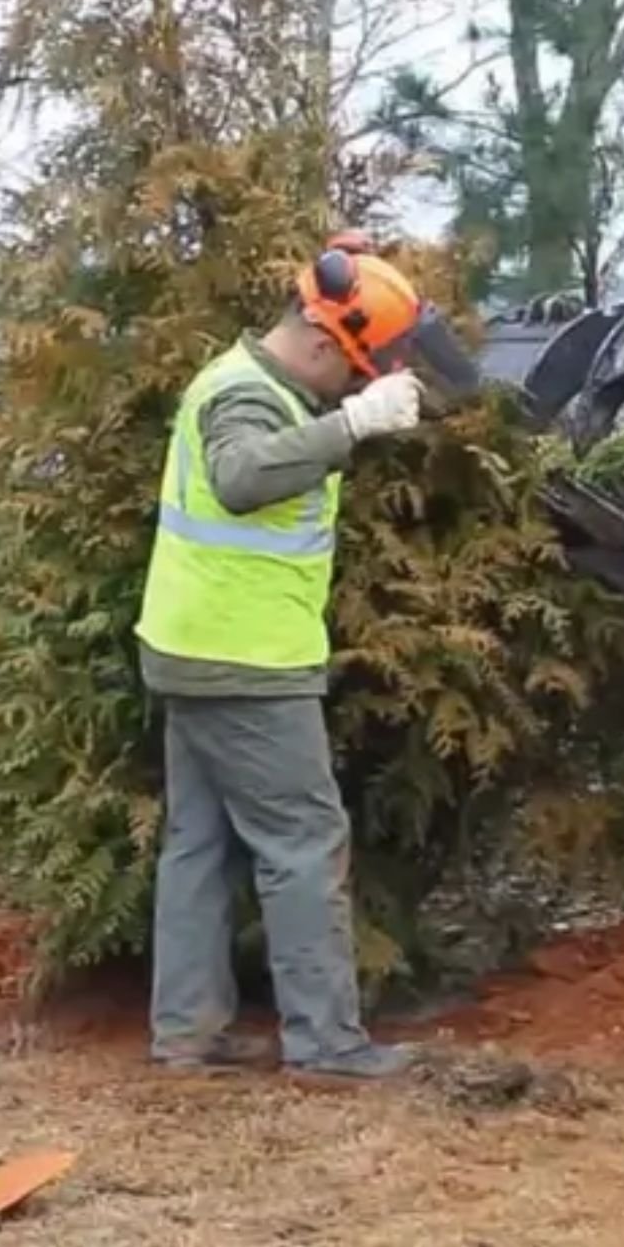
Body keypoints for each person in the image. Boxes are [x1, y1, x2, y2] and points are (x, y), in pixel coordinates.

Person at [134, 237, 428, 1078]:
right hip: (244, 659)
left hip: (195, 646)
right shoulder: (248, 398)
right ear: (322, 339)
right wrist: (352, 427)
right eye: (358, 371)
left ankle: (187, 1032)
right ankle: (328, 1045)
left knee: (200, 843)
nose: (359, 387)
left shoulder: (247, 381)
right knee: (304, 840)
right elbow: (237, 478)